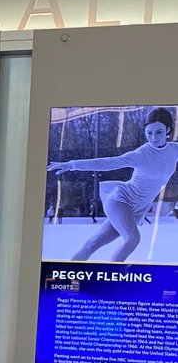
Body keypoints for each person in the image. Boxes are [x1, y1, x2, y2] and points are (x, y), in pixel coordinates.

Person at [48, 107, 178, 262]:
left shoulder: (174, 150)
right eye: (149, 133)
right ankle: (112, 278)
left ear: (168, 130)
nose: (153, 138)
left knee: (93, 243)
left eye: (158, 132)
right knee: (132, 239)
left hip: (137, 209)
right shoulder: (141, 154)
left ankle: (70, 273)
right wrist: (71, 164)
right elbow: (109, 162)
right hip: (121, 200)